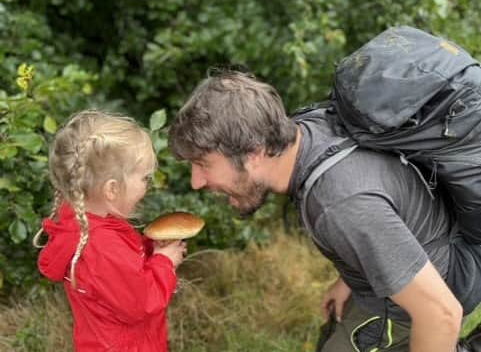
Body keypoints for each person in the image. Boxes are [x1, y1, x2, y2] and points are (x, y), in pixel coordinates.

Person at [168, 69, 481, 352]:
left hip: (421, 306)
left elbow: (441, 314)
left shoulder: (340, 204)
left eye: (204, 164)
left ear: (254, 152)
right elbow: (383, 203)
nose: (197, 182)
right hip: (407, 270)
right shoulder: (309, 129)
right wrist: (350, 278)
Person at [34, 110, 186, 352]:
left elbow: (122, 271)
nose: (149, 185)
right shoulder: (100, 246)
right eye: (145, 178)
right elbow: (141, 302)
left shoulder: (89, 225)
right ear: (112, 189)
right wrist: (164, 262)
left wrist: (150, 248)